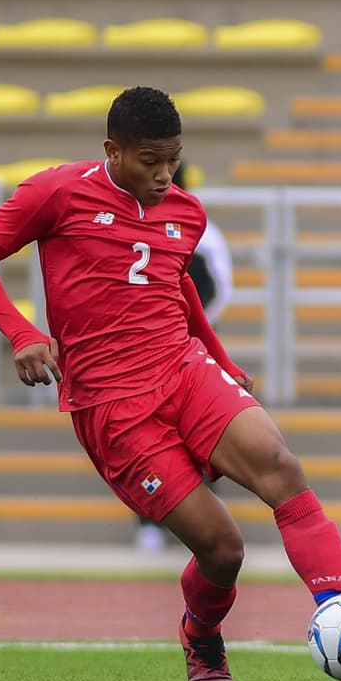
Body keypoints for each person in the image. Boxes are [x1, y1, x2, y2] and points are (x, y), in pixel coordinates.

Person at [0, 86, 341, 681]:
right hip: (112, 406)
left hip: (185, 370)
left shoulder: (187, 211)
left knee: (281, 466)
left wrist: (223, 361)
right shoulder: (57, 192)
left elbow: (178, 287)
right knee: (223, 549)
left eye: (173, 160)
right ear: (112, 151)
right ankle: (201, 637)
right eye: (151, 161)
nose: (164, 175)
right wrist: (22, 333)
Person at [135, 160, 235, 553]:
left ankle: (201, 512)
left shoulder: (196, 224)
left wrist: (190, 327)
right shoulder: (125, 221)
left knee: (193, 431)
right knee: (145, 437)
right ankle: (150, 522)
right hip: (140, 353)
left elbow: (216, 286)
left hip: (183, 348)